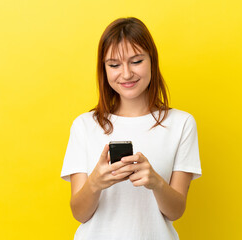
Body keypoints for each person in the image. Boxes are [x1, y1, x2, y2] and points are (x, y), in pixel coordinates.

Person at [61, 17, 202, 240]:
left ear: (152, 61)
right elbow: (79, 213)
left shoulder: (181, 124)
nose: (126, 74)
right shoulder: (84, 125)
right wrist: (95, 183)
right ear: (104, 69)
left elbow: (176, 211)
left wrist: (155, 182)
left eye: (136, 61)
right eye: (114, 65)